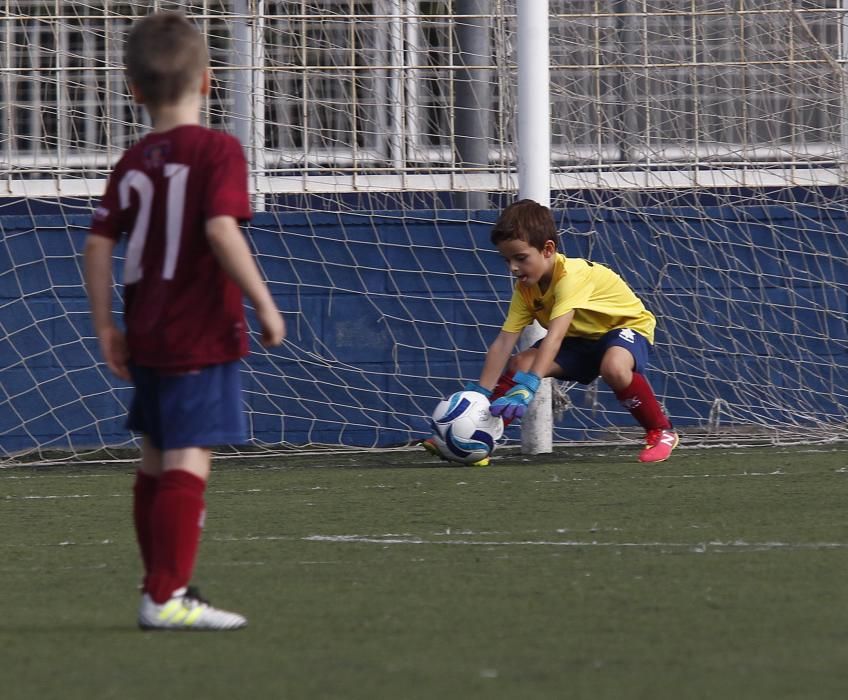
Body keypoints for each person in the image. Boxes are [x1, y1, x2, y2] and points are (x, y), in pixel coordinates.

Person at [84, 11, 285, 631]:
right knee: (188, 459)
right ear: (208, 81)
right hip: (200, 332)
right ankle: (167, 597)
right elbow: (220, 229)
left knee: (154, 455)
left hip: (145, 331)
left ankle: (158, 586)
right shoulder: (218, 150)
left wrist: (106, 329)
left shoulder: (135, 161)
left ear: (134, 89)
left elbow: (97, 246)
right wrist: (264, 301)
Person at [426, 198, 678, 464]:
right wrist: (480, 393)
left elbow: (555, 336)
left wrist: (530, 384)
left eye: (521, 258)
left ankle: (661, 430)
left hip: (623, 329)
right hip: (579, 339)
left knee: (614, 367)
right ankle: (475, 438)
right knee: (520, 363)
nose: (513, 268)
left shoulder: (571, 277)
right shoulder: (524, 290)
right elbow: (503, 342)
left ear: (547, 249)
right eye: (507, 259)